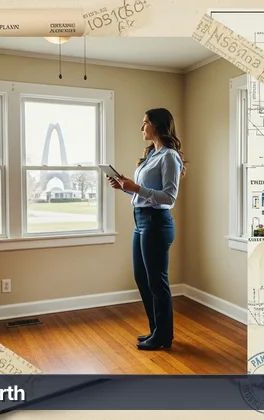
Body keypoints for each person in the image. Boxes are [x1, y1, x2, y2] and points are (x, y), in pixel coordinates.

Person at [106, 108, 186, 351]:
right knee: (142, 278)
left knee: (156, 281)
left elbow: (169, 197)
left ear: (158, 126)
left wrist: (137, 189)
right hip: (141, 221)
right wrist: (125, 187)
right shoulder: (152, 154)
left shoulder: (170, 156)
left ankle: (164, 336)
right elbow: (145, 192)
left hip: (156, 223)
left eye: (145, 123)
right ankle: (156, 330)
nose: (142, 128)